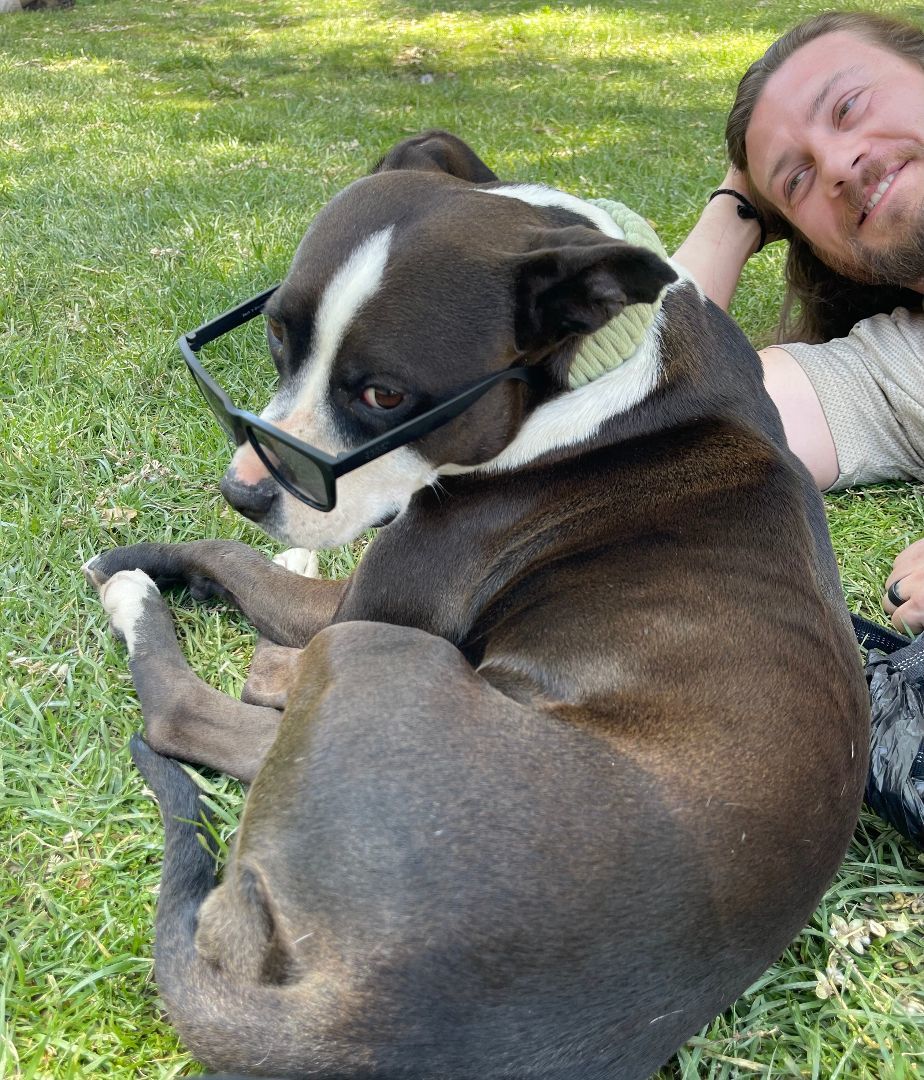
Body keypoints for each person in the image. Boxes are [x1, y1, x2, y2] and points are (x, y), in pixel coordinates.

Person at [674, 11, 924, 635]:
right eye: (798, 179)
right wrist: (738, 208)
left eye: (849, 106)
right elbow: (641, 402)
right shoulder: (899, 372)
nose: (838, 164)